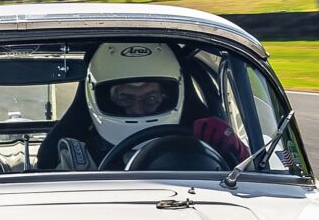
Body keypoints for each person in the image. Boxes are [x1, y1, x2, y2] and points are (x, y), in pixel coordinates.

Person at [35, 39, 246, 169]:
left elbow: (250, 183)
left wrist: (237, 152)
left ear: (171, 95)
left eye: (151, 98)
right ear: (102, 97)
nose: (138, 109)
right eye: (125, 98)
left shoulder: (207, 139)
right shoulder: (75, 158)